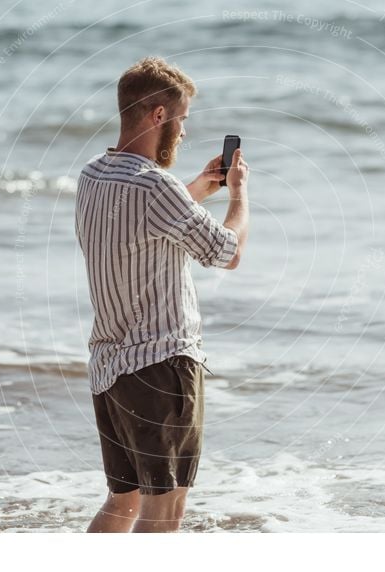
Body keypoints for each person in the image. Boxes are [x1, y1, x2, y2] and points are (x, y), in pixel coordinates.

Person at [75, 56, 250, 533]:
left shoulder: (93, 174)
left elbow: (141, 221)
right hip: (161, 366)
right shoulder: (158, 186)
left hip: (110, 369)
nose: (185, 133)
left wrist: (196, 188)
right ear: (159, 116)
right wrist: (237, 194)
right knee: (164, 513)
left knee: (121, 503)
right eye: (183, 120)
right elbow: (226, 252)